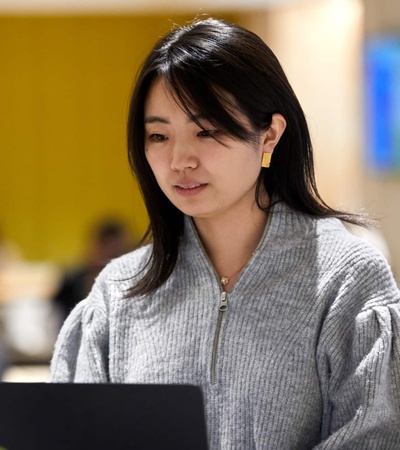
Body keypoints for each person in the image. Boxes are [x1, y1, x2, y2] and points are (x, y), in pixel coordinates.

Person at [50, 18, 400, 449]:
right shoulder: (118, 293)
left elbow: (373, 437)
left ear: (269, 135)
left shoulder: (347, 279)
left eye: (207, 131)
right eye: (159, 135)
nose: (180, 159)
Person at [53, 219, 133, 323]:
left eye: (115, 253)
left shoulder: (132, 287)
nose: (108, 254)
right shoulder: (70, 284)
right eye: (105, 247)